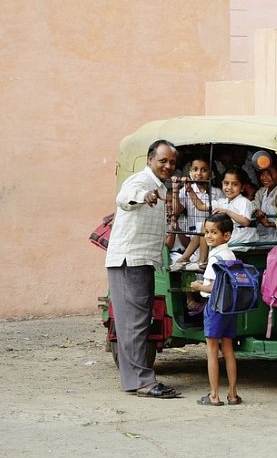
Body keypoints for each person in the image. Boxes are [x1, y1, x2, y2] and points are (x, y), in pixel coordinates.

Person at [104, 139, 181, 399]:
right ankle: (142, 382)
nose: (168, 166)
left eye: (172, 162)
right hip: (130, 261)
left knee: (137, 322)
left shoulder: (159, 186)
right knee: (134, 324)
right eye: (162, 160)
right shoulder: (141, 182)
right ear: (150, 160)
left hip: (142, 261)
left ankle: (137, 379)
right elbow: (125, 198)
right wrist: (143, 196)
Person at [189, 214, 242, 406]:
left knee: (212, 351)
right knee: (228, 350)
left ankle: (213, 395)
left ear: (226, 235)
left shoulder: (214, 257)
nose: (209, 236)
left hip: (215, 306)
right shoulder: (230, 255)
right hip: (230, 308)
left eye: (214, 232)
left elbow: (211, 287)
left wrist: (197, 286)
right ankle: (233, 394)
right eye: (206, 232)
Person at [183, 166, 259, 263]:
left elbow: (245, 222)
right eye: (226, 183)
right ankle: (186, 257)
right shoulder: (222, 202)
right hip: (231, 234)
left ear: (242, 187)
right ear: (222, 184)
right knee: (204, 226)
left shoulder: (244, 202)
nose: (229, 188)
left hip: (242, 237)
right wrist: (190, 190)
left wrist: (227, 212)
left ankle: (202, 260)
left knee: (209, 230)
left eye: (234, 184)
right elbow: (200, 206)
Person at [168, 156, 222, 273]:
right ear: (190, 172)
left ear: (210, 173)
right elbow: (176, 210)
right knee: (197, 273)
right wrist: (176, 190)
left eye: (204, 170)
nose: (199, 173)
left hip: (213, 236)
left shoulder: (217, 192)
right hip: (193, 239)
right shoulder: (185, 191)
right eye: (195, 169)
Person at [253, 164, 277, 242]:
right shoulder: (261, 192)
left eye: (269, 173)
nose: (264, 177)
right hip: (263, 237)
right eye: (262, 173)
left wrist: (270, 224)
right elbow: (254, 205)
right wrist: (257, 211)